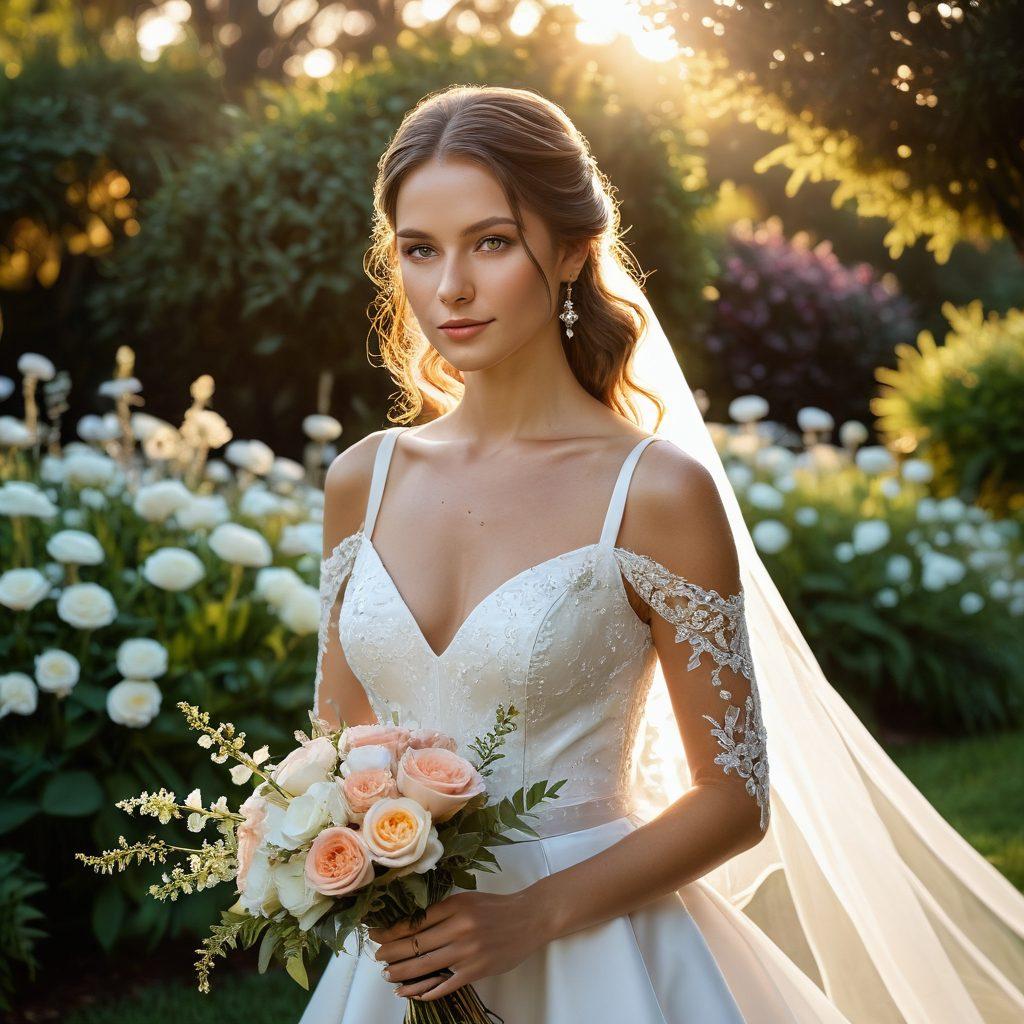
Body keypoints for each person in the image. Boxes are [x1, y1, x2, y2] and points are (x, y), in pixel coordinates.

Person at [299, 85, 1024, 1023]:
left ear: (568, 250)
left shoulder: (653, 493)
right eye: (420, 250)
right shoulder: (365, 479)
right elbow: (335, 741)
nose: (452, 290)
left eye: (490, 242)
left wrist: (530, 917)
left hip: (600, 956)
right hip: (403, 962)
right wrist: (338, 854)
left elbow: (732, 800)